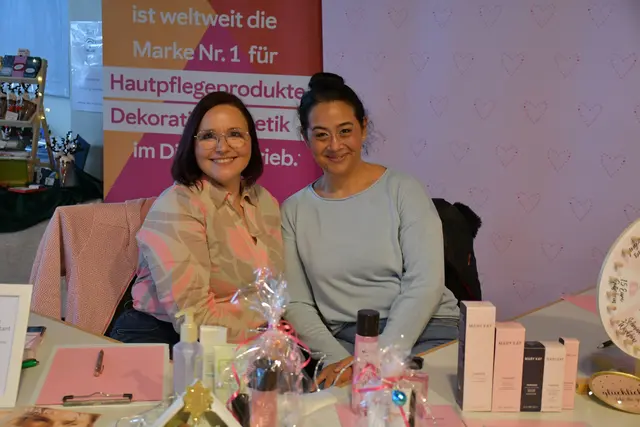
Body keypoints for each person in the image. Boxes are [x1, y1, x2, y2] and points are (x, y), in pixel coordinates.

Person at [282, 73, 460, 388]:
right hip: (345, 346)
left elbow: (425, 283)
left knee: (419, 406)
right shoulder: (293, 210)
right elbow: (297, 303)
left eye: (345, 131)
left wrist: (377, 358)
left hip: (425, 331)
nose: (335, 145)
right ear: (305, 137)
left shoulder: (403, 189)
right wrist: (337, 361)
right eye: (321, 135)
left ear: (363, 128)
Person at [110, 92, 283, 348]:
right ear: (192, 146)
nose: (222, 147)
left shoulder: (264, 201)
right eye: (208, 136)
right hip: (165, 336)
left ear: (251, 142)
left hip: (247, 337)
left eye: (235, 134)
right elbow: (193, 318)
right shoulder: (178, 205)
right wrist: (260, 338)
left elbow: (274, 288)